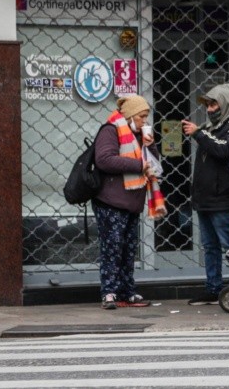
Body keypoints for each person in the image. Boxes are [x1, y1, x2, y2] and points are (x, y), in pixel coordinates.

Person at [93, 95, 167, 310]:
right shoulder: (111, 130)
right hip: (110, 202)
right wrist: (139, 165)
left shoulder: (138, 134)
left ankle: (127, 290)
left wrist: (150, 146)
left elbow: (153, 164)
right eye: (142, 116)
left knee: (128, 249)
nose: (145, 121)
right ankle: (109, 292)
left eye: (146, 117)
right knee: (112, 248)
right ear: (131, 115)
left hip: (131, 202)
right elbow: (104, 159)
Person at [181, 84, 229, 305]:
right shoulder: (210, 127)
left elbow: (225, 150)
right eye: (208, 105)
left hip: (223, 200)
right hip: (205, 200)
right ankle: (213, 288)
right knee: (210, 247)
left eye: (213, 104)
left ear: (225, 103)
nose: (209, 109)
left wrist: (199, 134)